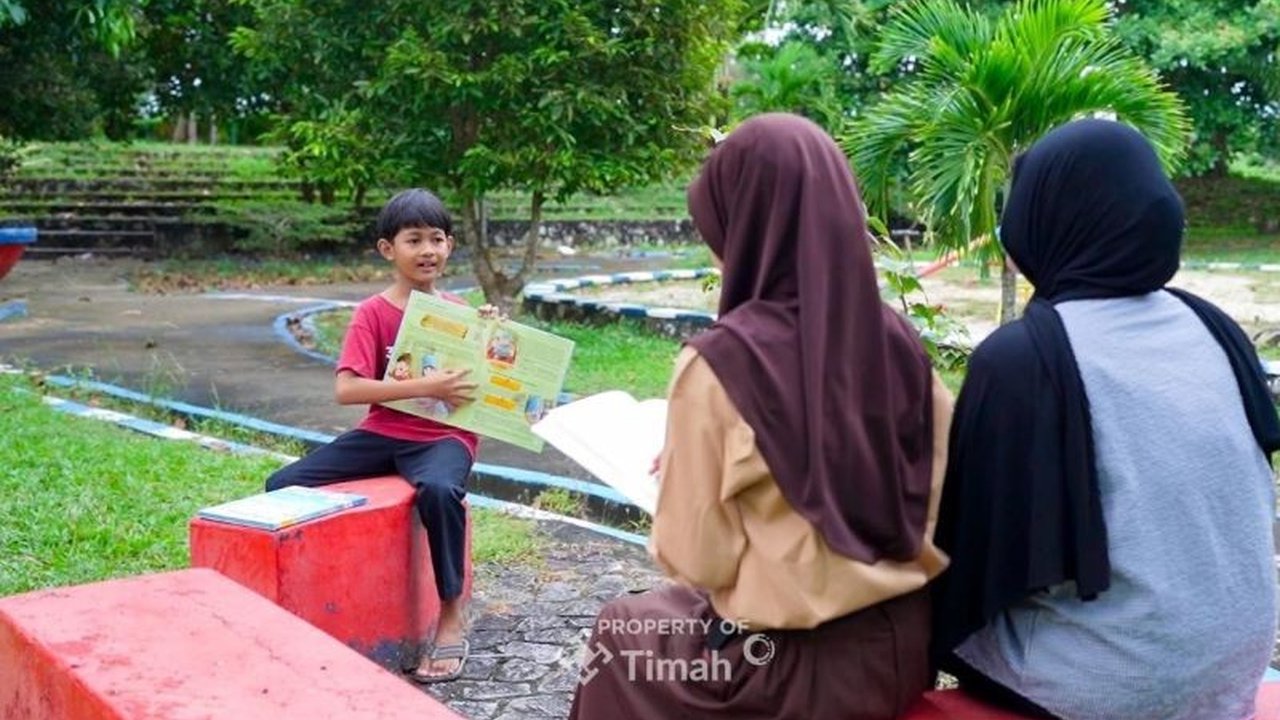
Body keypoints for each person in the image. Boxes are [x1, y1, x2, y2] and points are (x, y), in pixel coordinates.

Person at [568, 113, 954, 720]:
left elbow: (699, 561)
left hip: (779, 667)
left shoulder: (722, 365)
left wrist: (688, 478)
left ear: (746, 228)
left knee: (622, 635)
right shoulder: (902, 344)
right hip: (903, 647)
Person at [930, 119, 1280, 719]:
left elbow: (976, 561)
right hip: (1234, 664)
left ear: (1045, 218)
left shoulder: (1024, 359)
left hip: (1117, 686)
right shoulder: (1214, 327)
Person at [265, 188, 481, 683]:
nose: (428, 250)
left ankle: (450, 613)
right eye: (414, 240)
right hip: (383, 431)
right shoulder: (373, 314)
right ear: (389, 250)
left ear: (450, 245)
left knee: (441, 491)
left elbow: (483, 386)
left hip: (443, 439)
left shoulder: (461, 314)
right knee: (282, 486)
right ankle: (325, 599)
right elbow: (347, 389)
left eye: (438, 239)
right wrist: (431, 385)